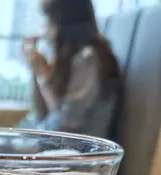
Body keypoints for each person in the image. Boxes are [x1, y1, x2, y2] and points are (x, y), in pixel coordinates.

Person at [20, 0, 122, 139]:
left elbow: (64, 125)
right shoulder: (69, 59)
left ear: (66, 25)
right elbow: (41, 115)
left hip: (82, 149)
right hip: (61, 145)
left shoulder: (89, 58)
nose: (45, 28)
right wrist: (36, 72)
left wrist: (43, 77)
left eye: (50, 21)